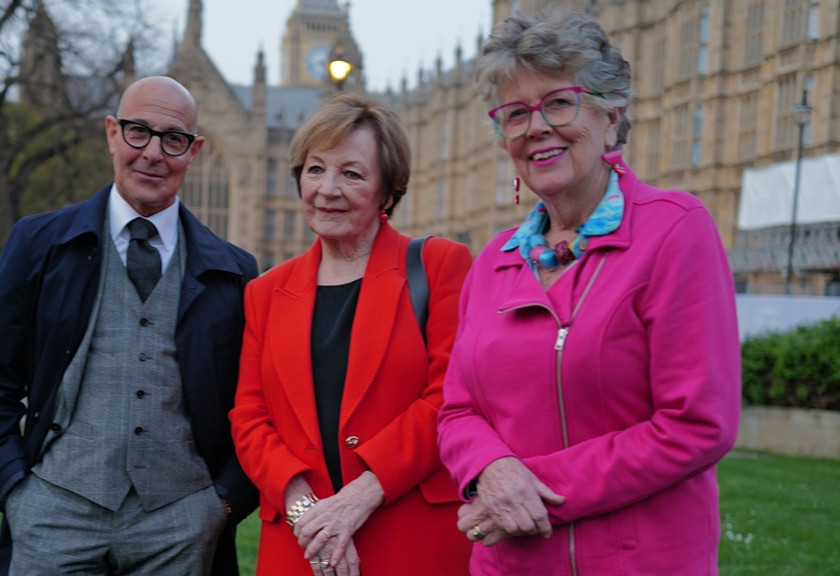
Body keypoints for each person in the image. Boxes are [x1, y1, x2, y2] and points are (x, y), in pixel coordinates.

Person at [437, 10, 740, 575]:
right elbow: (458, 411)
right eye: (515, 114)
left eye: (558, 103)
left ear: (611, 117)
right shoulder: (493, 261)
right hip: (508, 564)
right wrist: (491, 471)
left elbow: (698, 421)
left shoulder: (674, 229)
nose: (536, 127)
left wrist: (530, 490)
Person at [0, 76, 259, 576]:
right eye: (138, 131)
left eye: (174, 139)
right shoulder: (39, 244)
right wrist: (13, 488)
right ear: (111, 133)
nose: (153, 153)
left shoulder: (234, 271)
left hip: (181, 527)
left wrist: (222, 505)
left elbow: (255, 404)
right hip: (53, 514)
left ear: (194, 152)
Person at [230, 92, 474, 576]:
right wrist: (308, 514)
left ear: (389, 189)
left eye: (352, 173)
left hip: (410, 540)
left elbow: (450, 396)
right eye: (315, 169)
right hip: (301, 549)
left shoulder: (440, 265)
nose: (327, 189)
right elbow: (249, 418)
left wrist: (360, 497)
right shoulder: (265, 291)